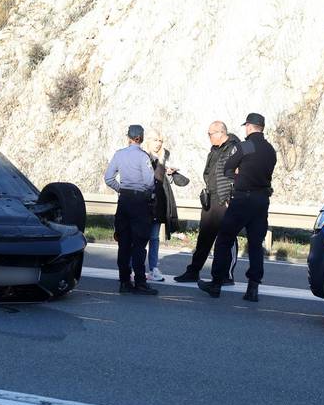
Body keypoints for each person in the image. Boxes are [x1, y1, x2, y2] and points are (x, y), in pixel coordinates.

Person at [198, 113, 277, 303]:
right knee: (256, 245)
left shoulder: (246, 145)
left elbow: (227, 169)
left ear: (249, 127)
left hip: (243, 199)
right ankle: (253, 289)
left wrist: (238, 178)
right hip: (261, 200)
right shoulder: (270, 149)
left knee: (224, 239)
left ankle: (216, 283)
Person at [174, 121, 241, 284]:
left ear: (220, 133)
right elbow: (209, 172)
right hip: (210, 199)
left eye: (210, 134)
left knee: (227, 238)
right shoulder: (214, 150)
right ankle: (193, 271)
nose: (209, 137)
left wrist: (230, 196)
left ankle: (226, 275)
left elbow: (239, 173)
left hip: (225, 200)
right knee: (204, 238)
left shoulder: (235, 147)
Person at [103, 124, 158, 296]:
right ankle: (140, 282)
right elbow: (149, 182)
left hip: (124, 201)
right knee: (140, 244)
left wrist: (121, 189)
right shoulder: (144, 157)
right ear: (141, 138)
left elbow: (108, 178)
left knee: (124, 242)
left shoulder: (119, 155)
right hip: (139, 202)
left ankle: (124, 282)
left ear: (128, 137)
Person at [143, 129, 189, 282]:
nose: (158, 143)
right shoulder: (142, 156)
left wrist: (169, 171)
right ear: (148, 140)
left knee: (154, 237)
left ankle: (153, 268)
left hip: (160, 200)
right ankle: (132, 268)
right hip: (144, 200)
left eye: (160, 140)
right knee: (140, 236)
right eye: (155, 140)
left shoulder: (165, 155)